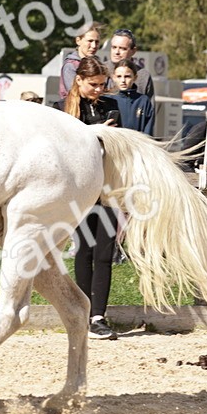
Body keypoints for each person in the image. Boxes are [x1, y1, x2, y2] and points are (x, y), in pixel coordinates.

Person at [54, 56, 121, 340]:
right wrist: (93, 133)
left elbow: (120, 146)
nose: (99, 89)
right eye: (93, 84)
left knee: (105, 253)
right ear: (78, 80)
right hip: (78, 188)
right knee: (83, 250)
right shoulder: (60, 110)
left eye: (102, 84)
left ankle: (99, 316)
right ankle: (83, 313)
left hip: (107, 186)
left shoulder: (111, 106)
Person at [103, 27, 154, 98]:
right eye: (114, 47)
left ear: (133, 51)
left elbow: (149, 104)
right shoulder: (100, 70)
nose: (117, 52)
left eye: (123, 49)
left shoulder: (143, 76)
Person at [111, 58, 155, 136]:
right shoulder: (108, 99)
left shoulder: (143, 101)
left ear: (135, 77)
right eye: (119, 76)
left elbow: (148, 131)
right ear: (114, 78)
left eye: (127, 76)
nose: (123, 80)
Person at [58, 24, 102, 99]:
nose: (94, 46)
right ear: (78, 40)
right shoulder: (71, 66)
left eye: (97, 42)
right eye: (90, 41)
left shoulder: (99, 64)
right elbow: (75, 94)